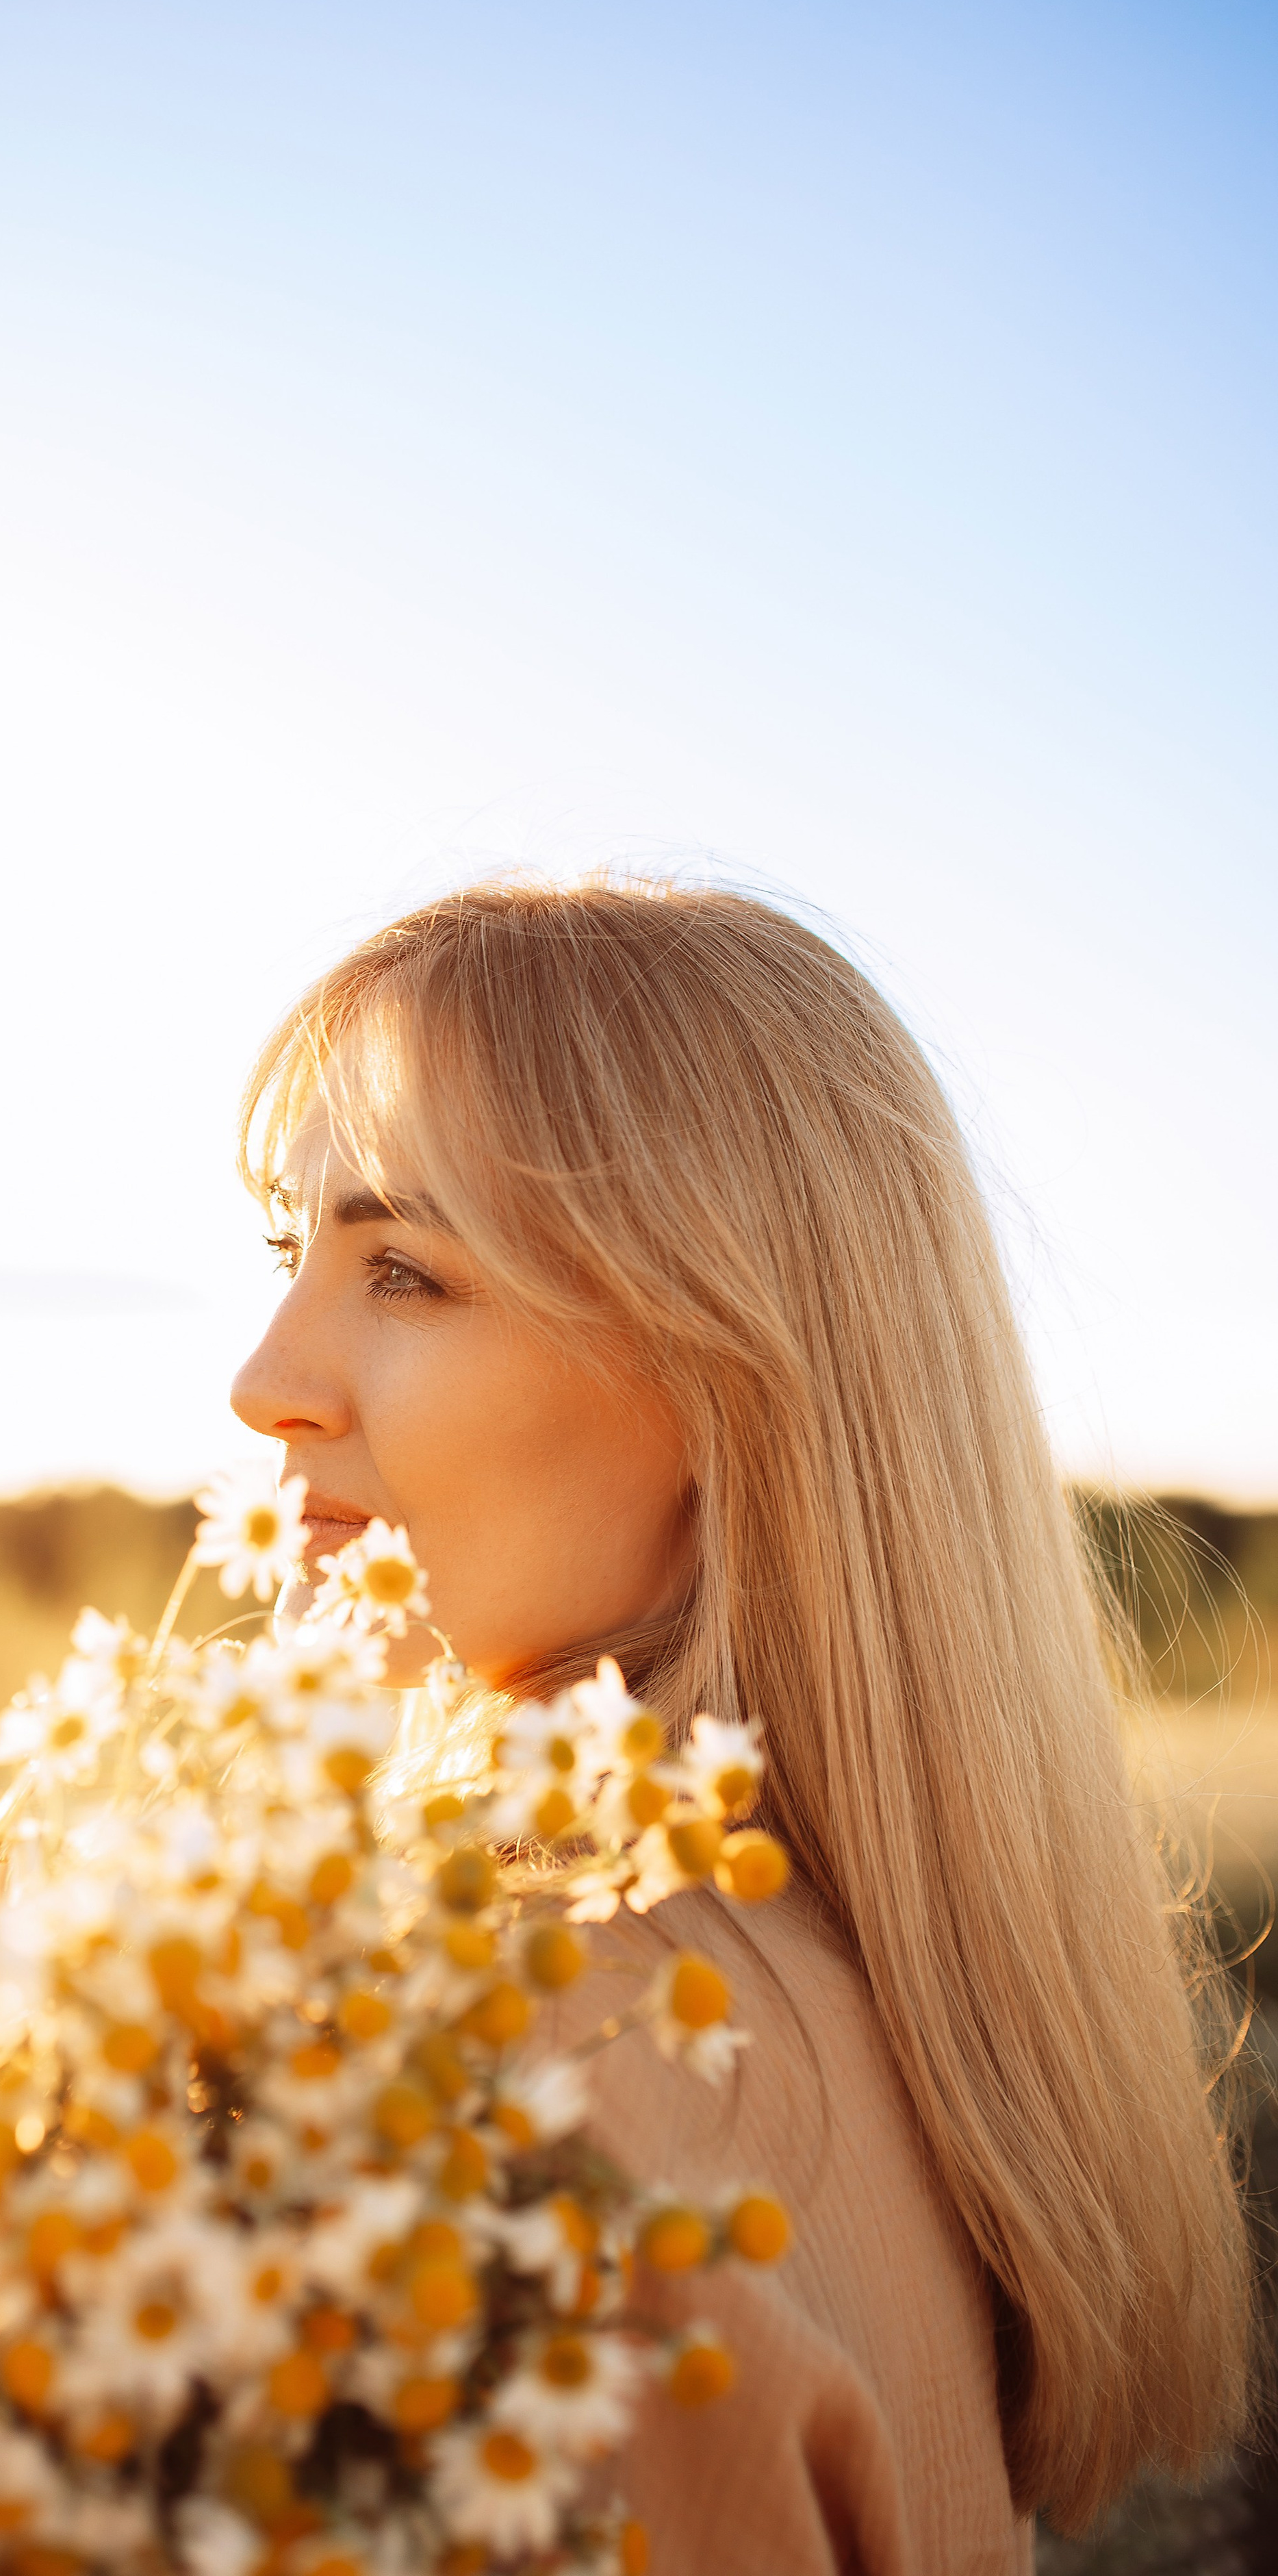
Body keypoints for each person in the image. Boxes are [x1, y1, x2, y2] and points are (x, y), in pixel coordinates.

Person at [229, 875, 1251, 2571]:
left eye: (402, 1269)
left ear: (731, 1386)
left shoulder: (533, 2070)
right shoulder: (846, 1988)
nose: (264, 1377)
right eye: (293, 1254)